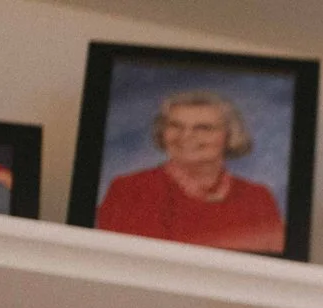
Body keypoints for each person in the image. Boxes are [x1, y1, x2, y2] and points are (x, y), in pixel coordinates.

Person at [94, 90, 285, 254]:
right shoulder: (129, 190)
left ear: (230, 135)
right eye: (175, 126)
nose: (186, 136)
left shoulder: (258, 198)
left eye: (203, 128)